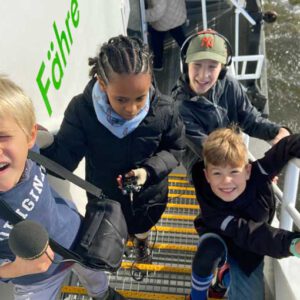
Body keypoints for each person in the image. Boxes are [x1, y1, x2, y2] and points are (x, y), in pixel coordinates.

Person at [39, 35, 185, 263]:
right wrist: (43, 144)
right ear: (102, 83)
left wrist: (148, 172)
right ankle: (125, 241)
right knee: (116, 232)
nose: (132, 108)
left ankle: (141, 241)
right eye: (121, 99)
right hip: (107, 198)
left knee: (143, 227)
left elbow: (176, 149)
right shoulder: (82, 111)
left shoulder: (164, 110)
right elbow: (63, 163)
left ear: (150, 82)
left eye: (140, 97)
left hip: (149, 198)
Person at [0, 76, 124, 300]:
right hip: (34, 281)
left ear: (29, 138)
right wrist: (17, 270)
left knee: (97, 280)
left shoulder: (33, 152)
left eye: (2, 137)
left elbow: (45, 135)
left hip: (79, 242)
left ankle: (104, 295)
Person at [188, 126, 300, 300]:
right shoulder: (210, 203)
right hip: (221, 235)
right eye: (217, 173)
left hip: (248, 251)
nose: (226, 181)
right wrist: (292, 244)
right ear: (207, 175)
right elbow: (250, 232)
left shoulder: (259, 172)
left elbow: (287, 146)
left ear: (247, 171)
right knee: (206, 255)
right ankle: (197, 296)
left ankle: (223, 279)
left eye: (234, 171)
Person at [171, 29, 290, 180]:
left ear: (222, 69)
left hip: (233, 158)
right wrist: (252, 168)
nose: (203, 75)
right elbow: (210, 151)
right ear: (185, 65)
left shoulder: (230, 85)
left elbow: (250, 120)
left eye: (212, 66)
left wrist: (277, 131)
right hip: (203, 166)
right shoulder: (178, 107)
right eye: (197, 65)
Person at [145, 0, 187, 71]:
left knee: (156, 39)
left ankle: (158, 63)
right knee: (179, 35)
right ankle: (190, 53)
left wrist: (142, 15)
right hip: (175, 12)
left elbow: (157, 12)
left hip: (164, 19)